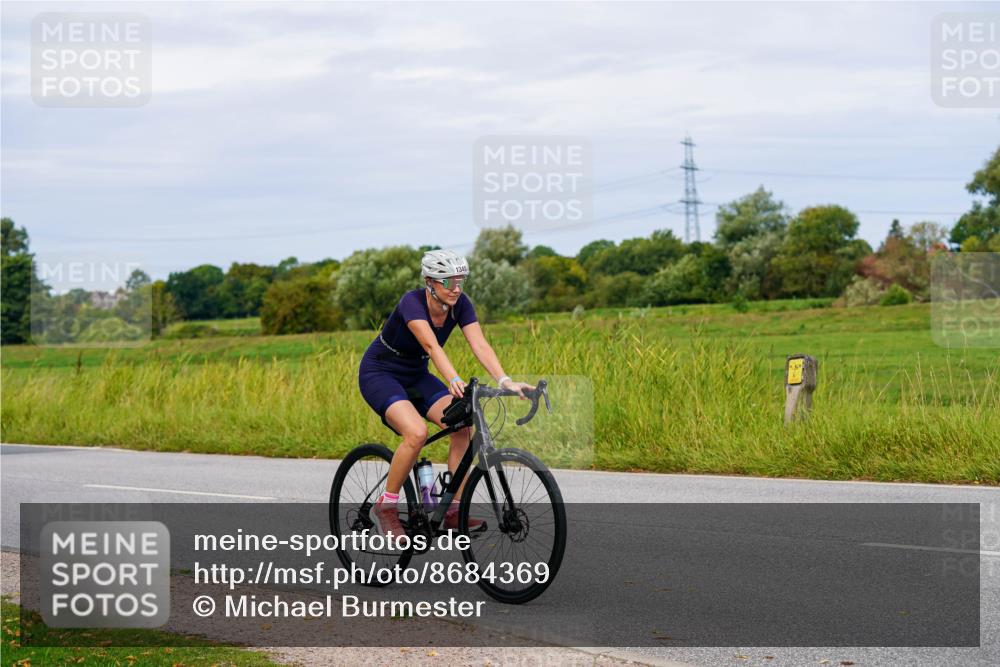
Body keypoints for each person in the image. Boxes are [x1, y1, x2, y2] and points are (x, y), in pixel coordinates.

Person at [357, 249, 533, 538]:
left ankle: (452, 510)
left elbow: (480, 344)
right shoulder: (411, 303)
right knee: (416, 433)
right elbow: (431, 347)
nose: (457, 289)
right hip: (381, 373)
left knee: (462, 426)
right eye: (449, 282)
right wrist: (452, 378)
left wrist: (505, 380)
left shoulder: (460, 304)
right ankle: (386, 506)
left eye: (461, 281)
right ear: (430, 282)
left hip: (416, 375)